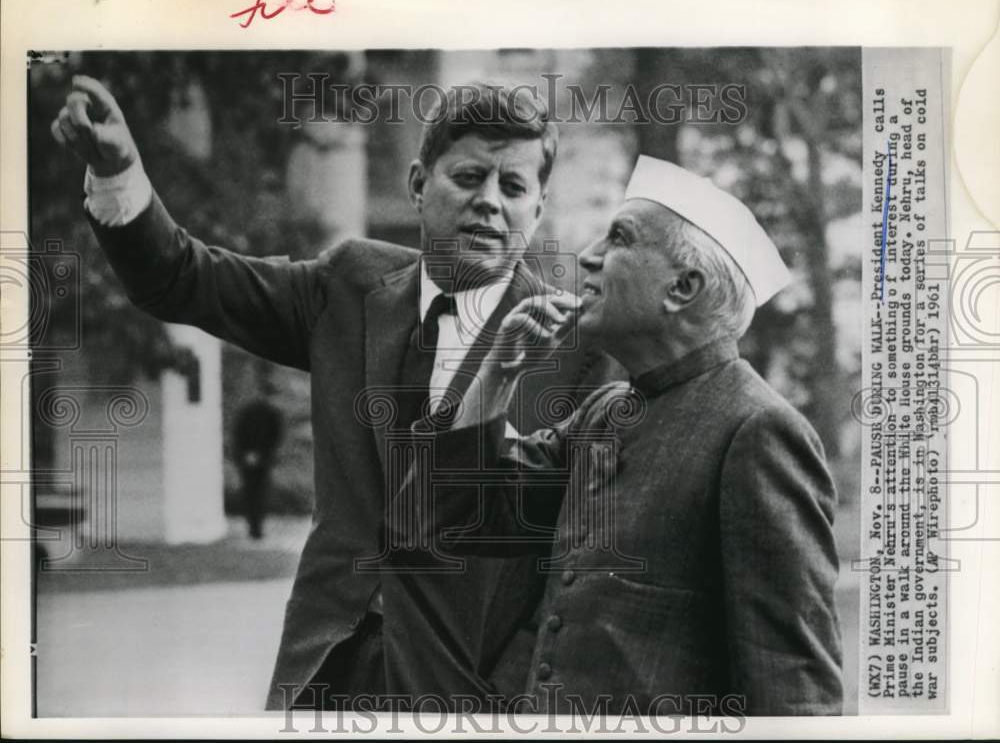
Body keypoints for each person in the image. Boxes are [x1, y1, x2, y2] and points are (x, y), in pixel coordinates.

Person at [50, 75, 618, 710]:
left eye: (513, 187)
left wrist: (505, 695)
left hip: (465, 692)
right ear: (418, 184)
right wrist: (119, 172)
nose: (489, 201)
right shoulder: (347, 285)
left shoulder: (576, 349)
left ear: (537, 210)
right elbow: (184, 279)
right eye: (468, 177)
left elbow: (582, 562)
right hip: (326, 670)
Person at [397, 155, 844, 715]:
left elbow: (792, 687)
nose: (588, 256)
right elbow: (454, 509)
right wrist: (498, 372)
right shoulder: (603, 412)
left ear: (682, 287)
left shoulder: (758, 430)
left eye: (619, 239)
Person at [232, 377, 285, 540]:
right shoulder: (251, 412)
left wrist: (258, 454)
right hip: (250, 458)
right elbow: (239, 434)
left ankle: (257, 527)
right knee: (252, 492)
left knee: (258, 493)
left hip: (260, 459)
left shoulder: (271, 414)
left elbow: (275, 437)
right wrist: (248, 454)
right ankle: (253, 526)